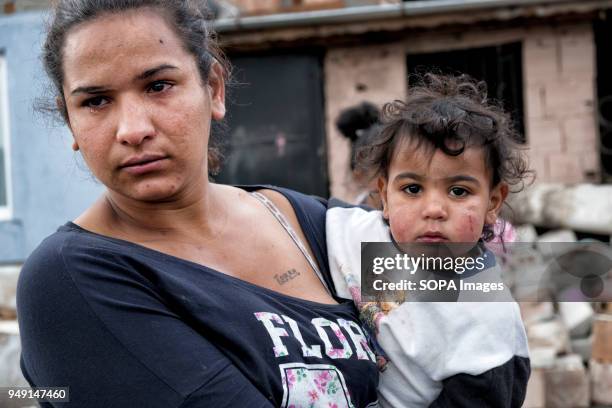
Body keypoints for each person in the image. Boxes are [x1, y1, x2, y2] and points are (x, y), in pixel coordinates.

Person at [16, 1, 379, 407]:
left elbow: (456, 305)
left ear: (214, 89)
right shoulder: (69, 281)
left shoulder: (316, 225)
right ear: (72, 123)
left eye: (158, 86)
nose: (133, 130)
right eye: (96, 101)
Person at [326, 73, 531, 407]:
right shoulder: (362, 235)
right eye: (412, 189)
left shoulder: (489, 329)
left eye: (459, 191)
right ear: (385, 196)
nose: (434, 209)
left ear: (493, 203)